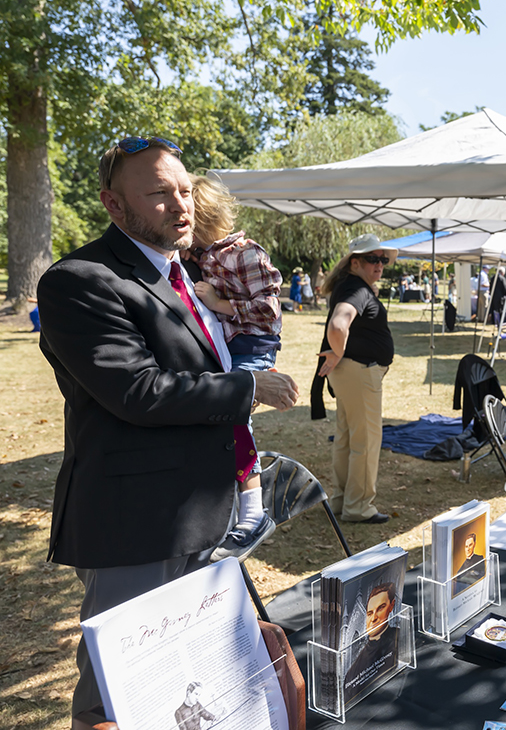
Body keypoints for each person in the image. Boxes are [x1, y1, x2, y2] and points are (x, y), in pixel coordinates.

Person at [37, 136, 298, 720]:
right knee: (121, 690)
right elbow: (137, 390)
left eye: (184, 190)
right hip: (137, 520)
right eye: (158, 193)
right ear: (113, 204)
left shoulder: (186, 274)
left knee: (193, 675)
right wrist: (248, 389)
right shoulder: (80, 280)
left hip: (204, 508)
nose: (181, 205)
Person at [185, 175, 282, 561]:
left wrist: (220, 303)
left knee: (234, 422)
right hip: (228, 348)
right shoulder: (203, 256)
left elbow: (270, 311)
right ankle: (234, 510)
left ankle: (254, 512)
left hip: (251, 348)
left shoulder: (244, 253)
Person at [317, 234, 397, 524]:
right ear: (355, 262)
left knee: (348, 438)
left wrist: (339, 354)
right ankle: (358, 507)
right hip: (359, 372)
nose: (380, 265)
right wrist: (338, 352)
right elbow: (338, 324)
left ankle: (342, 501)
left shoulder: (351, 286)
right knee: (365, 441)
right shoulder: (357, 290)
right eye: (373, 259)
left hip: (353, 371)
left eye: (383, 259)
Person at [343, 582, 398, 697]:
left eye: (380, 608)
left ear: (391, 606)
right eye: (369, 613)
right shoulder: (351, 674)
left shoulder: (398, 636)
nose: (373, 619)